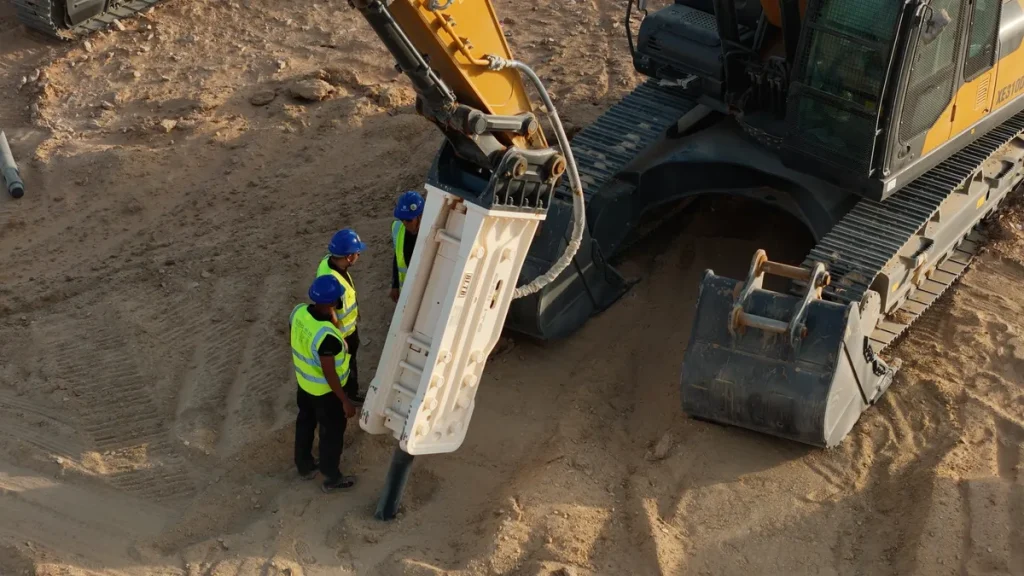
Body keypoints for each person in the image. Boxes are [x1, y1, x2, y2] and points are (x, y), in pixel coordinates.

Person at [290, 275, 358, 493]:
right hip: (326, 394)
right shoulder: (327, 337)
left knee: (305, 423)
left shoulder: (299, 312)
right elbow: (330, 373)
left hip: (305, 386)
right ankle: (331, 477)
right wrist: (344, 400)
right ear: (332, 303)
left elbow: (294, 334)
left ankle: (304, 465)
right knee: (331, 433)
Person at [316, 228, 366, 404]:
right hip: (343, 333)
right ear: (349, 257)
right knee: (346, 365)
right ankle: (348, 395)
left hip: (346, 329)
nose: (358, 256)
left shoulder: (328, 263)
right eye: (357, 253)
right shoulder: (333, 280)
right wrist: (340, 337)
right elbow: (331, 312)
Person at [390, 191, 424, 303]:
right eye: (402, 219)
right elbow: (397, 256)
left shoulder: (430, 234)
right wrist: (395, 285)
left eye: (409, 220)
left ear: (421, 216)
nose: (405, 223)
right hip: (406, 290)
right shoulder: (397, 228)